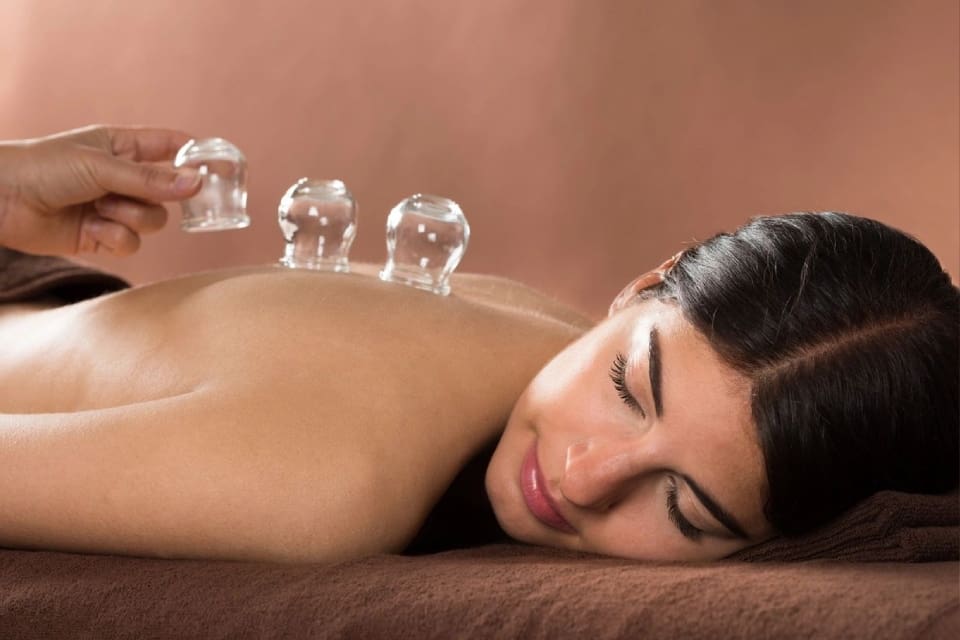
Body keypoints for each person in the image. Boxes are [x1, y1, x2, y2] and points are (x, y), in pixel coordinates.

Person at [0, 126, 956, 564]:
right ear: (643, 283)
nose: (583, 479)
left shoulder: (543, 335)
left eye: (685, 507)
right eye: (629, 386)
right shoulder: (324, 481)